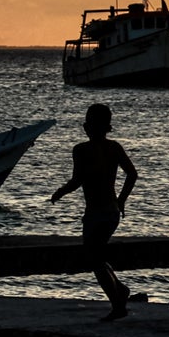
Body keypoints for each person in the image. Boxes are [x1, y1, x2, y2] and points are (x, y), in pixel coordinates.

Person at [51, 103, 138, 321]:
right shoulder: (113, 147)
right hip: (109, 212)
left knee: (94, 258)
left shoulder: (81, 150)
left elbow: (77, 181)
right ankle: (120, 290)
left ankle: (118, 304)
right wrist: (121, 200)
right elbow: (132, 175)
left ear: (88, 127)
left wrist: (60, 192)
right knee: (96, 256)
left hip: (100, 213)